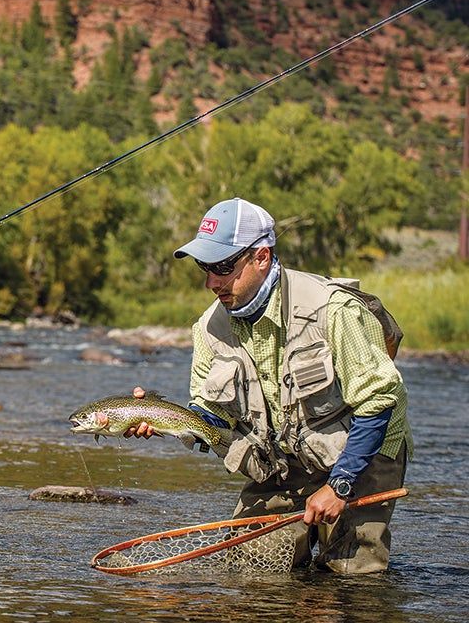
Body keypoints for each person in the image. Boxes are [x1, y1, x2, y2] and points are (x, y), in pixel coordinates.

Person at [128, 197, 412, 573]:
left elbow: (379, 401)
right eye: (204, 267)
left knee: (350, 578)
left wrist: (340, 484)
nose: (211, 282)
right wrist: (163, 418)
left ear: (261, 257)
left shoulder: (333, 310)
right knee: (254, 569)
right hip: (283, 460)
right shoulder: (208, 329)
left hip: (363, 452)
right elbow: (213, 419)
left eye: (223, 267)